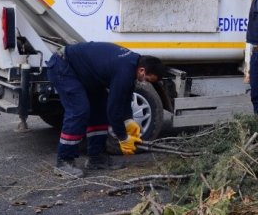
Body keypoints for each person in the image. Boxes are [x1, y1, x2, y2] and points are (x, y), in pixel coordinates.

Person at [45, 42, 167, 178]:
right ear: (142, 70)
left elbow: (125, 95)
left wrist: (128, 120)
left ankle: (96, 158)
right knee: (79, 111)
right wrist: (123, 137)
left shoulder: (133, 63)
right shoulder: (125, 70)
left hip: (85, 73)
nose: (145, 83)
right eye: (147, 79)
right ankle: (64, 161)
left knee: (99, 110)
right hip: (63, 66)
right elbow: (113, 109)